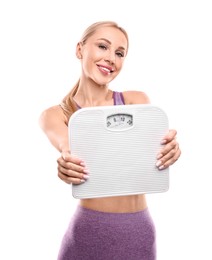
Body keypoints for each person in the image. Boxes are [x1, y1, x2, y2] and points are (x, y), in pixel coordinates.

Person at [39, 21, 181, 260]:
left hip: (138, 233)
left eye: (119, 53)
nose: (111, 58)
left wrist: (169, 148)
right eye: (102, 46)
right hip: (87, 234)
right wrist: (67, 161)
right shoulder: (56, 115)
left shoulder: (136, 102)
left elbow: (152, 151)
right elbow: (69, 148)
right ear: (80, 49)